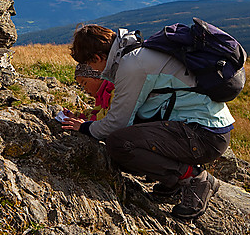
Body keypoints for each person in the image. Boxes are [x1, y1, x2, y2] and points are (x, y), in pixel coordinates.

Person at [61, 23, 234, 221]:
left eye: (90, 65)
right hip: (203, 130)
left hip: (204, 135)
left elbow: (117, 123)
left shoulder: (132, 65)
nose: (93, 70)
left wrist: (84, 127)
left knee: (118, 144)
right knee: (126, 141)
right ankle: (174, 182)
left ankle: (194, 179)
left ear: (98, 57)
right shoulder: (134, 54)